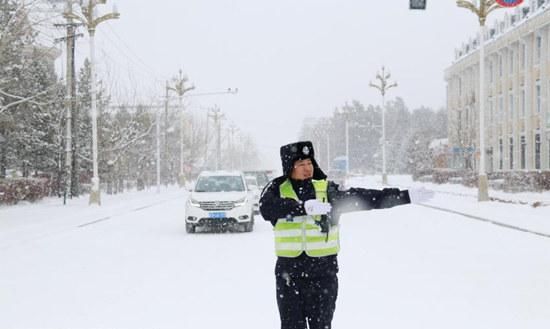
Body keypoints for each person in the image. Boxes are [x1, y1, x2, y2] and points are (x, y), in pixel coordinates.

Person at [259, 140, 432, 329]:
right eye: (300, 164)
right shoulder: (276, 190)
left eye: (309, 163)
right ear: (288, 167)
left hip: (323, 275)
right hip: (289, 277)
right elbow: (266, 208)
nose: (307, 168)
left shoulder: (327, 190)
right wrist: (302, 207)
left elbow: (367, 198)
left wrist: (405, 196)